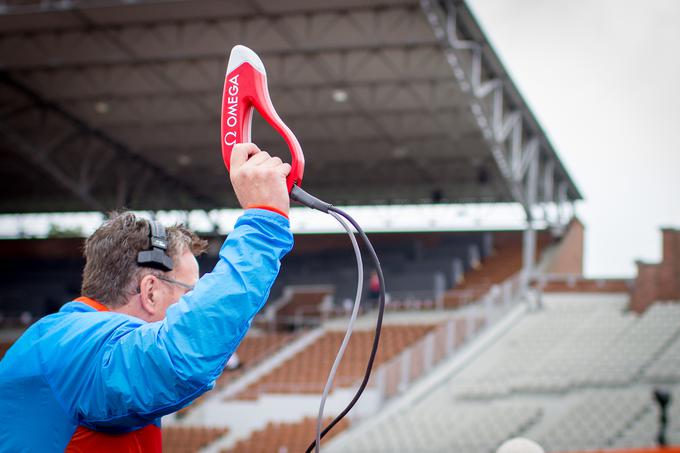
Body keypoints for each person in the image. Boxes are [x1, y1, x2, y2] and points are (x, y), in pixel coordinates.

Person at [0, 143, 292, 452]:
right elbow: (179, 356)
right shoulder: (78, 348)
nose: (193, 304)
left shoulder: (58, 341)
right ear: (150, 292)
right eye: (190, 292)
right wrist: (263, 222)